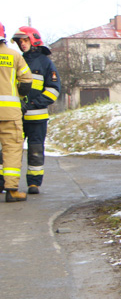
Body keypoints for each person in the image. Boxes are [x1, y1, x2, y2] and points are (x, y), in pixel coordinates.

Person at [13, 27, 61, 194]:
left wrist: (33, 103)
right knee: (10, 149)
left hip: (37, 117)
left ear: (34, 41)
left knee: (35, 150)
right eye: (20, 42)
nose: (22, 44)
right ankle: (5, 183)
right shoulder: (18, 59)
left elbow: (53, 90)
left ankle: (34, 183)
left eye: (25, 40)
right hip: (17, 116)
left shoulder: (46, 63)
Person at [0, 22, 34, 202]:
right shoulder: (14, 56)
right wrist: (18, 93)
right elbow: (27, 81)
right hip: (9, 113)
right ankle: (12, 191)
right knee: (12, 148)